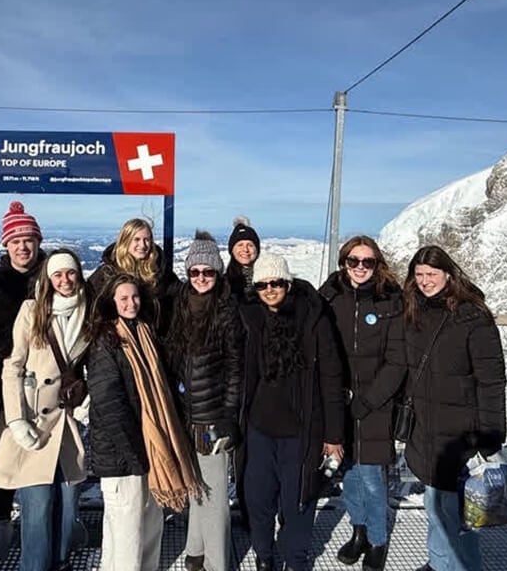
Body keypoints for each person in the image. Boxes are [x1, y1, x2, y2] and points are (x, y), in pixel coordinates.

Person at [0, 249, 92, 571]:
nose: (65, 280)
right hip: (33, 419)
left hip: (67, 421)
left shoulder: (89, 313)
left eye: (70, 273)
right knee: (39, 505)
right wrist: (15, 419)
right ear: (48, 279)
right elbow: (13, 365)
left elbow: (88, 366)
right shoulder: (32, 310)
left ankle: (59, 563)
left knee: (68, 506)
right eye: (57, 274)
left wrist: (87, 400)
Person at [237, 252, 347, 571]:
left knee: (298, 501)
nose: (270, 289)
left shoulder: (312, 317)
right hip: (258, 429)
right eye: (262, 285)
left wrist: (334, 435)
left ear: (288, 282)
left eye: (276, 283)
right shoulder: (250, 318)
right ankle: (264, 555)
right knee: (257, 500)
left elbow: (331, 377)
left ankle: (296, 560)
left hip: (302, 430)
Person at [87, 274, 202, 571]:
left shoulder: (144, 333)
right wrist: (135, 455)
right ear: (111, 302)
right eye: (123, 298)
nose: (131, 303)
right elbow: (109, 404)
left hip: (151, 449)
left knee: (150, 525)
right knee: (126, 533)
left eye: (135, 297)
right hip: (123, 455)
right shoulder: (106, 341)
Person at [401, 245, 506, 571]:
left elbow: (491, 380)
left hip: (462, 433)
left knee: (459, 518)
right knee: (436, 507)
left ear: (448, 274)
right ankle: (439, 562)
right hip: (426, 429)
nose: (424, 282)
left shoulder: (472, 316)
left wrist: (490, 434)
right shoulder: (414, 310)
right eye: (418, 275)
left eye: (431, 274)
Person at [320, 235, 406, 570]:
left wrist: (369, 400)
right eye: (353, 261)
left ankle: (377, 540)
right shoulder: (330, 296)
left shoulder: (391, 301)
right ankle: (358, 531)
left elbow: (397, 360)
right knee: (350, 474)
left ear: (377, 264)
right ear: (344, 263)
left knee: (371, 476)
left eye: (367, 262)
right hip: (338, 401)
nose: (359, 268)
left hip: (376, 404)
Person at [162, 231, 243, 571]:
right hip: (186, 415)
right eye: (195, 272)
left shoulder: (226, 312)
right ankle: (195, 551)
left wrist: (228, 415)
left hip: (212, 418)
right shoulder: (181, 305)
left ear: (218, 273)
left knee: (213, 497)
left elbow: (236, 370)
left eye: (208, 272)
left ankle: (216, 563)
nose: (201, 279)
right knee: (196, 486)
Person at [0, 200, 47, 560]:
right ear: (6, 245)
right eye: (16, 241)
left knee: (52, 449)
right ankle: (4, 521)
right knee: (5, 454)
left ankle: (52, 520)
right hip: (3, 381)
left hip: (49, 383)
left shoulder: (53, 275)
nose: (23, 247)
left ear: (38, 242)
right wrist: (15, 347)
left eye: (29, 240)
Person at [87, 218, 181, 316]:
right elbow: (90, 302)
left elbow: (180, 294)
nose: (143, 245)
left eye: (147, 240)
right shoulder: (107, 273)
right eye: (137, 239)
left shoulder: (159, 271)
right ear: (125, 241)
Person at [225, 216, 261, 303]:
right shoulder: (223, 283)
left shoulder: (267, 280)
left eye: (250, 245)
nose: (245, 249)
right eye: (240, 245)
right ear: (232, 250)